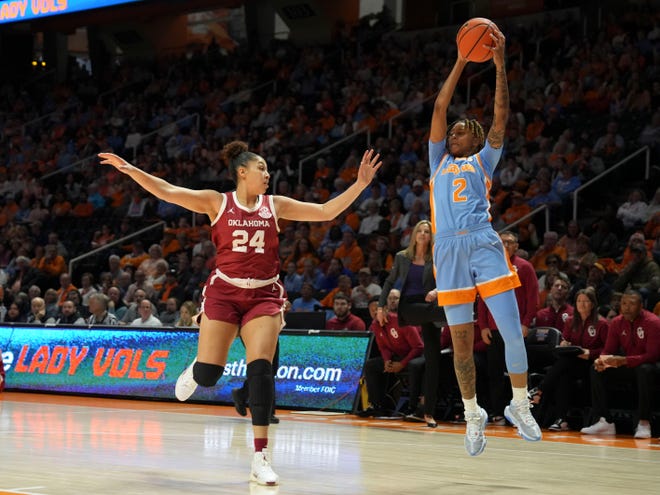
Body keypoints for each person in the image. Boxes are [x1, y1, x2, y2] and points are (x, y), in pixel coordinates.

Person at [98, 142, 381, 486]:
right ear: (242, 172)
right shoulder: (217, 202)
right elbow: (168, 191)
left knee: (261, 368)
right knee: (208, 375)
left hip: (263, 295)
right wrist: (131, 169)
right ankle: (197, 367)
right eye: (261, 168)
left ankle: (260, 456)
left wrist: (360, 184)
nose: (267, 174)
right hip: (224, 293)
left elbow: (324, 211)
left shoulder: (275, 205)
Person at [428, 26, 541, 456]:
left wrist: (499, 66)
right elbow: (440, 105)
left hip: (482, 242)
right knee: (460, 343)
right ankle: (473, 413)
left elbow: (501, 117)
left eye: (460, 131)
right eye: (451, 131)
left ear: (475, 139)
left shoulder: (484, 158)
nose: (453, 133)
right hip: (447, 247)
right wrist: (461, 58)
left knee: (512, 332)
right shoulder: (437, 160)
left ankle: (518, 404)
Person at [377, 219, 446, 427]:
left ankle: (428, 412)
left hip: (431, 307)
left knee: (434, 362)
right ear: (414, 235)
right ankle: (454, 314)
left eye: (427, 231)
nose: (423, 234)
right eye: (420, 231)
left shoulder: (436, 258)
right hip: (411, 307)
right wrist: (381, 307)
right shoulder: (402, 257)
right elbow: (390, 282)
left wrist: (436, 291)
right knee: (444, 312)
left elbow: (445, 280)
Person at [478, 231, 539, 426]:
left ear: (516, 246)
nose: (504, 244)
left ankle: (520, 410)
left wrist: (526, 323)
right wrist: (483, 325)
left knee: (517, 370)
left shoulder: (525, 267)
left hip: (515, 328)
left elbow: (532, 298)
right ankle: (497, 412)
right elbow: (482, 297)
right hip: (494, 328)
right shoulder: (489, 266)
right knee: (494, 371)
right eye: (501, 241)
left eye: (509, 242)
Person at [580, 290, 660, 438]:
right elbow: (608, 349)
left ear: (641, 306)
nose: (627, 308)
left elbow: (652, 355)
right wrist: (601, 360)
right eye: (624, 304)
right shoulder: (617, 322)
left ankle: (644, 423)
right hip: (628, 364)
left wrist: (624, 360)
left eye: (632, 304)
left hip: (650, 366)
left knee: (645, 370)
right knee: (596, 369)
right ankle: (605, 421)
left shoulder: (653, 322)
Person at [532, 288, 609, 430]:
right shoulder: (570, 321)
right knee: (563, 374)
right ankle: (561, 420)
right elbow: (565, 340)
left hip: (591, 365)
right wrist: (564, 344)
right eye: (579, 301)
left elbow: (607, 349)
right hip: (572, 362)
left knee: (563, 366)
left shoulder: (602, 323)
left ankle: (539, 389)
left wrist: (590, 353)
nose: (582, 304)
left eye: (586, 301)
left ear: (593, 304)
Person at [362, 289, 425, 417]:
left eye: (377, 308)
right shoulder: (375, 324)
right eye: (371, 309)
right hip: (398, 356)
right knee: (371, 365)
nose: (374, 312)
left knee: (414, 365)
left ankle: (413, 407)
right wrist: (386, 361)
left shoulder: (401, 321)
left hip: (416, 355)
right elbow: (383, 347)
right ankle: (377, 405)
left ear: (385, 309)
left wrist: (402, 364)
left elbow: (419, 347)